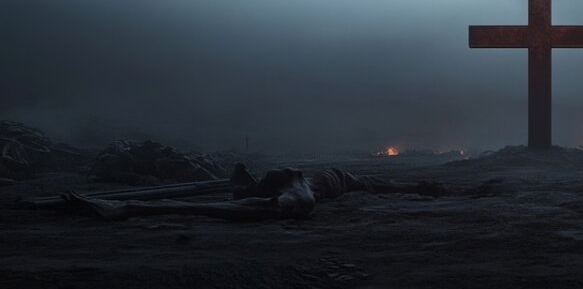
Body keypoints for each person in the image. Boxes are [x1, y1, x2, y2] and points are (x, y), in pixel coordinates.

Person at [64, 164, 453, 221]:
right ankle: (127, 207)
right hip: (312, 183)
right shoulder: (301, 190)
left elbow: (380, 185)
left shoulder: (300, 192)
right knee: (286, 204)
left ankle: (128, 207)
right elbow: (380, 185)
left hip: (312, 184)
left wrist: (421, 187)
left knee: (265, 203)